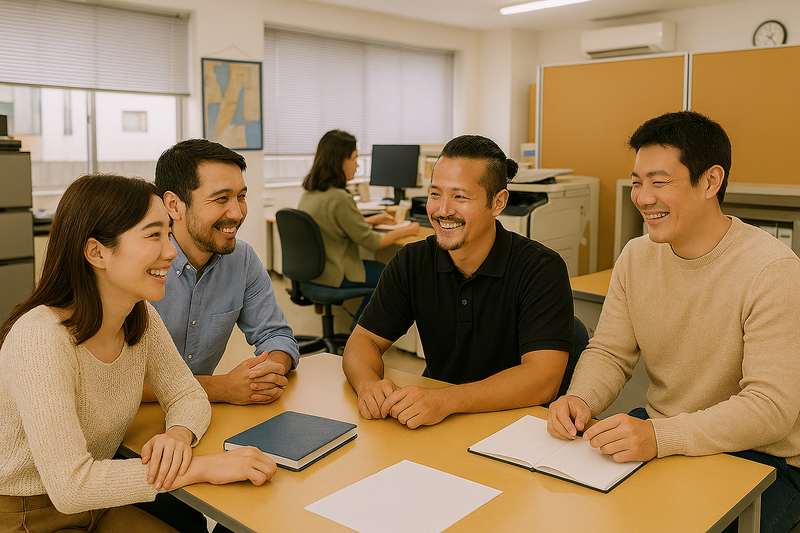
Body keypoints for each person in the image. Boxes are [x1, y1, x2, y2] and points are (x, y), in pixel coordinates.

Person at [547, 111, 800, 533]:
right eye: (637, 182)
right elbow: (610, 351)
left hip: (762, 456)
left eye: (660, 183)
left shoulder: (773, 270)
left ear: (711, 181)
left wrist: (661, 438)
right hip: (662, 432)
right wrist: (580, 399)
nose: (643, 197)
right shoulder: (636, 255)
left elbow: (770, 410)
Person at [0, 174, 276, 533]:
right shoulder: (40, 337)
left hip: (98, 500)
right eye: (153, 235)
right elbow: (70, 487)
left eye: (168, 232)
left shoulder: (138, 316)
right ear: (97, 252)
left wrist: (177, 437)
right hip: (27, 514)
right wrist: (205, 467)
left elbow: (187, 393)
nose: (171, 251)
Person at [342, 134, 574, 429]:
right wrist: (368, 386)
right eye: (435, 194)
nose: (442, 210)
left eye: (460, 196)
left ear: (498, 202)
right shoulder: (412, 261)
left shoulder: (541, 268)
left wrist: (445, 401)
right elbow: (363, 340)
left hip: (515, 427)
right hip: (437, 424)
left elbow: (543, 380)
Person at [150, 138, 299, 406]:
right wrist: (221, 388)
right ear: (174, 205)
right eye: (221, 198)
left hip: (200, 415)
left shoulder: (242, 260)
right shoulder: (141, 266)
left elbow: (276, 336)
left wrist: (267, 371)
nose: (238, 213)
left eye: (241, 197)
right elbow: (114, 380)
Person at [297, 129, 420, 329]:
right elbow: (375, 243)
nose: (357, 164)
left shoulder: (310, 193)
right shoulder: (340, 198)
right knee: (389, 276)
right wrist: (409, 229)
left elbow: (332, 225)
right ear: (339, 161)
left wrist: (372, 220)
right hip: (336, 273)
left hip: (314, 272)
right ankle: (359, 336)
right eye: (354, 158)